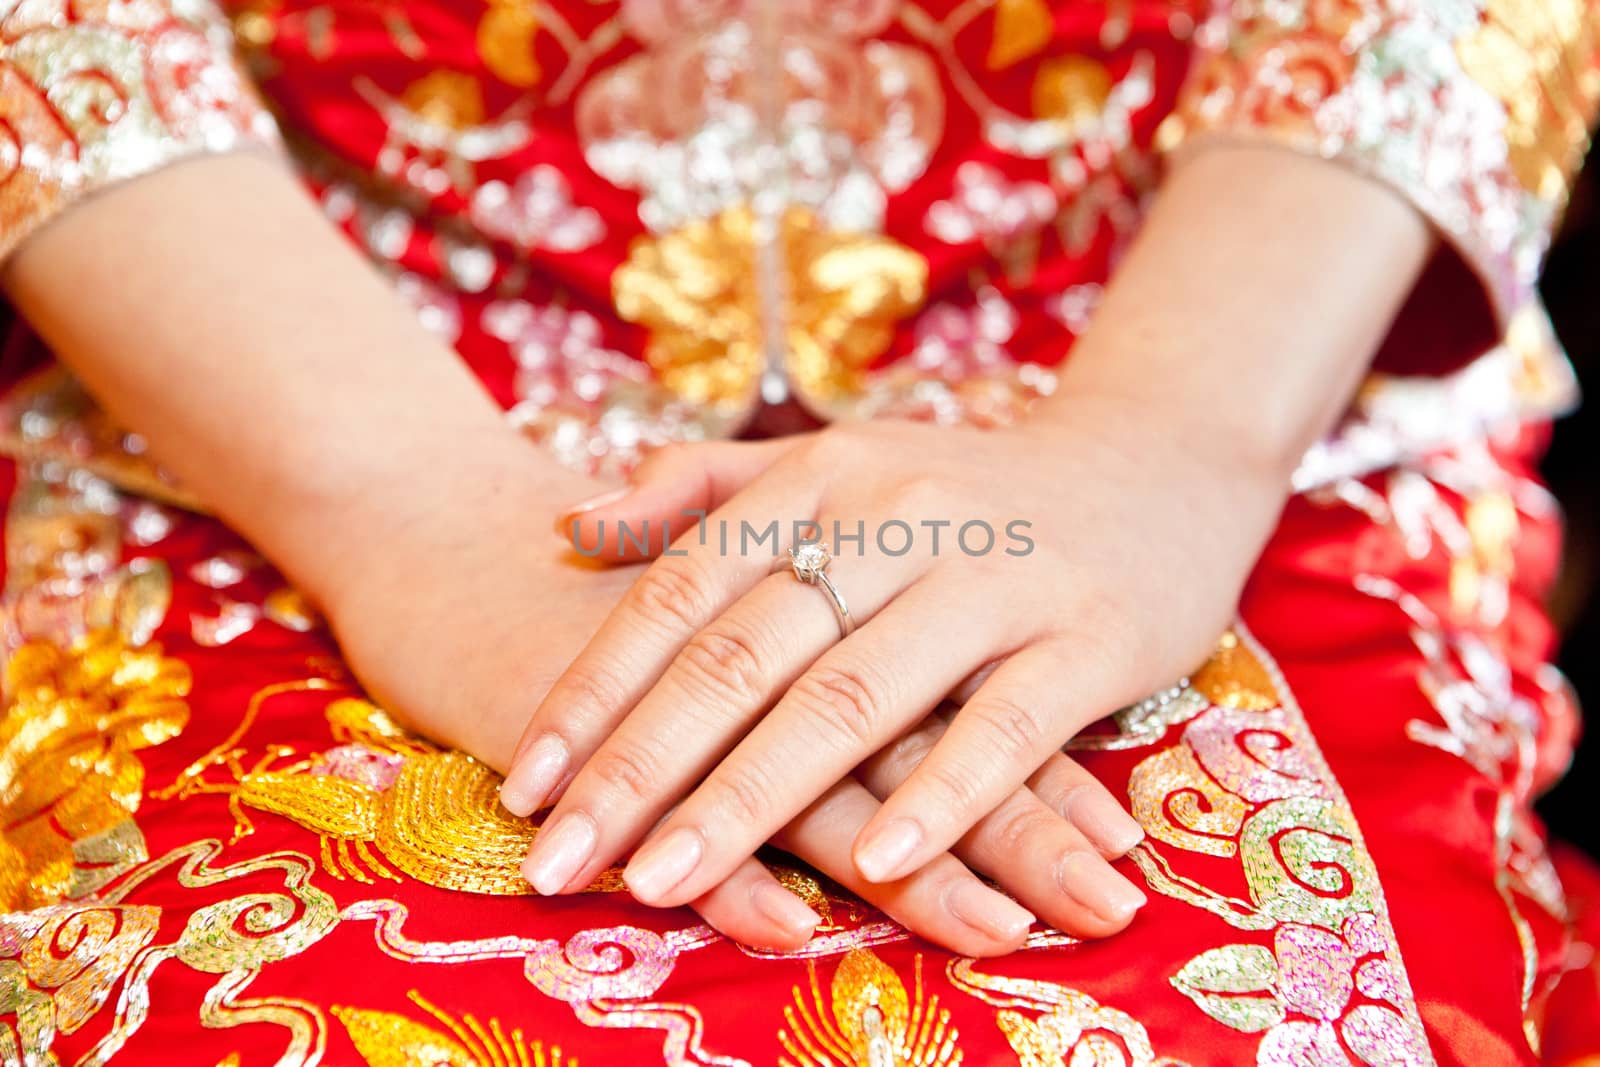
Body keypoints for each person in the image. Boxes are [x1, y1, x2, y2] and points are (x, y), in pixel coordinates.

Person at [1, 0, 1597, 1062]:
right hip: (263, 344)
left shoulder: (1197, 409)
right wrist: (410, 509)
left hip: (1224, 318)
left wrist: (1170, 445)